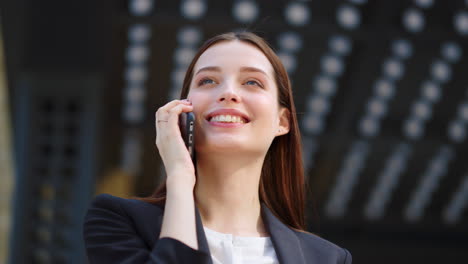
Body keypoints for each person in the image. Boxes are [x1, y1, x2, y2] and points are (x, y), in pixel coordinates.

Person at [83, 31, 352, 264]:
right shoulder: (119, 221)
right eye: (207, 81)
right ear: (183, 111)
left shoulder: (327, 258)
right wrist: (179, 177)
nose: (228, 93)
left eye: (252, 82)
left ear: (281, 122)